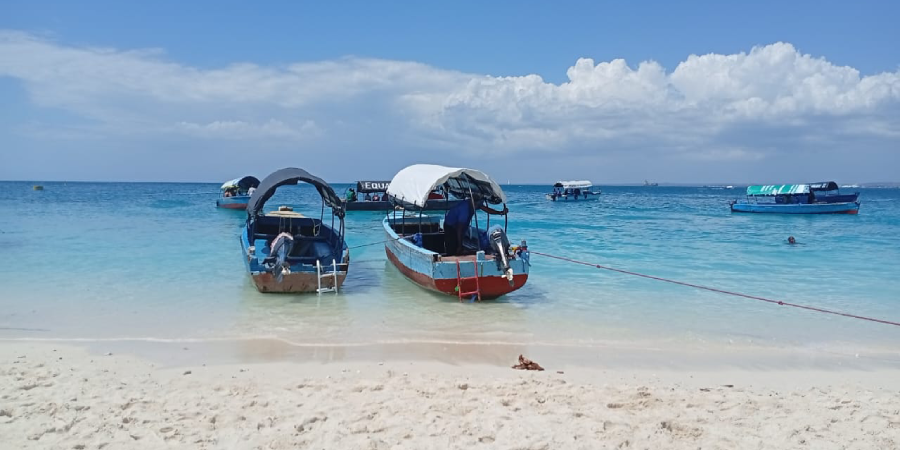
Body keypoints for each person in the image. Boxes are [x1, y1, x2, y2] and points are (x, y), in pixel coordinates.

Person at [444, 195, 508, 255]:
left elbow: (487, 210)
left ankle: (459, 249)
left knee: (459, 244)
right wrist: (460, 245)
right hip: (450, 226)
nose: (480, 206)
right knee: (453, 248)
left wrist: (500, 212)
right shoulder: (464, 210)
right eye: (479, 204)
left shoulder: (475, 204)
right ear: (474, 202)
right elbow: (459, 229)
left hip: (461, 225)